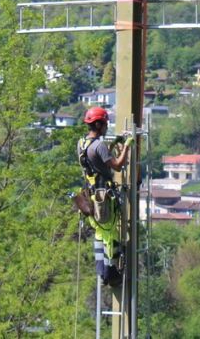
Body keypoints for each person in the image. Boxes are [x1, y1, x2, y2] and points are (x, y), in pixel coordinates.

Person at [77, 106, 133, 287]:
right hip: (103, 197)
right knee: (110, 235)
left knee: (100, 234)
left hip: (90, 197)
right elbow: (116, 165)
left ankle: (102, 273)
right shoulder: (99, 146)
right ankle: (111, 273)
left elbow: (97, 159)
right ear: (99, 124)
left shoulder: (82, 144)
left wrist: (113, 144)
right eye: (106, 124)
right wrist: (126, 146)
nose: (107, 126)